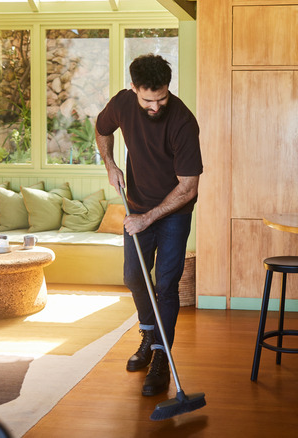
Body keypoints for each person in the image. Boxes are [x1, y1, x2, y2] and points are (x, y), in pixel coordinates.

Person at [95, 54, 203, 397]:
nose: (155, 106)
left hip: (173, 212)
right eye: (148, 100)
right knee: (133, 276)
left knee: (166, 285)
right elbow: (101, 129)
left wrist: (148, 218)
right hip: (138, 206)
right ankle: (148, 335)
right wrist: (110, 164)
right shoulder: (123, 104)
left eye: (162, 98)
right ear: (133, 89)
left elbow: (188, 187)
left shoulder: (184, 122)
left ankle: (160, 357)